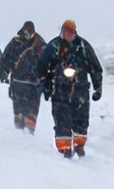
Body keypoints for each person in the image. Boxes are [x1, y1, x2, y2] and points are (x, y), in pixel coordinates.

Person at [37, 19, 103, 158]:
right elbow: (41, 66)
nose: (67, 34)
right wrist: (44, 84)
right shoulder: (53, 46)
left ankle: (79, 146)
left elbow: (95, 67)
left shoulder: (83, 46)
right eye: (65, 31)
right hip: (60, 89)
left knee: (81, 119)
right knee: (61, 119)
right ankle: (64, 149)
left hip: (81, 88)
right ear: (61, 31)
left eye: (70, 32)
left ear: (75, 33)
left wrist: (98, 88)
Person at [0, 21, 46, 134]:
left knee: (31, 112)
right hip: (20, 81)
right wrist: (3, 72)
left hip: (32, 83)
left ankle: (29, 134)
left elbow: (48, 61)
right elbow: (6, 58)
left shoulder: (39, 43)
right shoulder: (17, 42)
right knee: (20, 111)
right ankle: (20, 134)